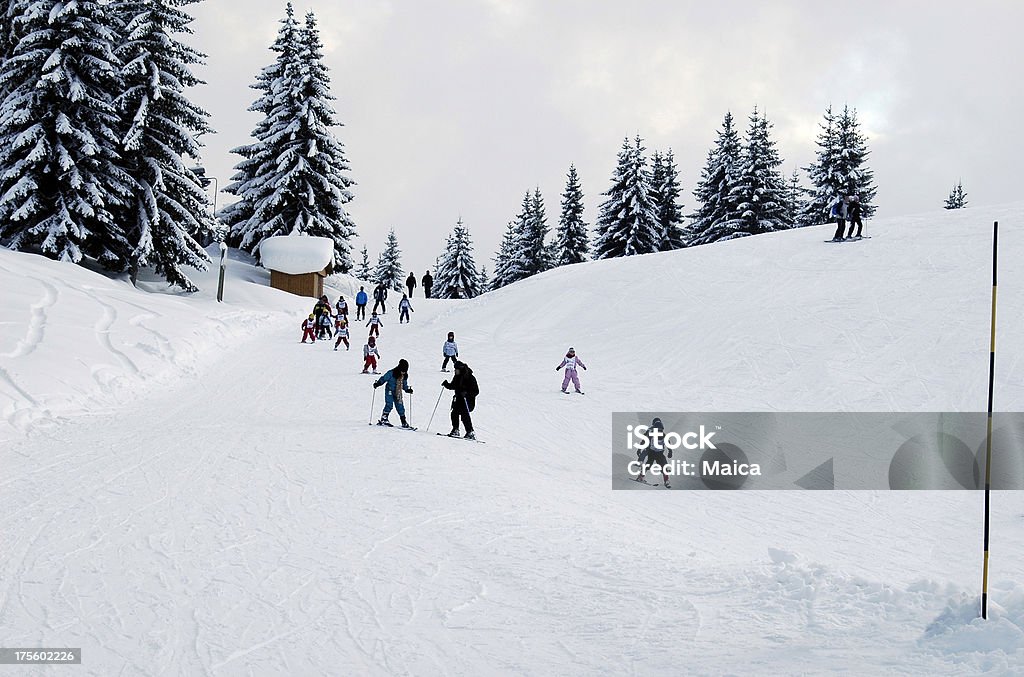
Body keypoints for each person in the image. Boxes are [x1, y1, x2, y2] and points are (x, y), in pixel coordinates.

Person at [373, 359, 414, 428]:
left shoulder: (404, 376)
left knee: (400, 406)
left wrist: (407, 390)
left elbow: (404, 385)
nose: (403, 372)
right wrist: (378, 383)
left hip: (398, 392)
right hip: (389, 390)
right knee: (389, 404)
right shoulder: (391, 373)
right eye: (402, 370)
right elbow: (384, 378)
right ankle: (384, 418)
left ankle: (403, 421)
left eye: (405, 371)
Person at [443, 360, 478, 439]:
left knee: (464, 415)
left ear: (461, 369)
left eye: (456, 369)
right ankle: (456, 430)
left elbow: (476, 391)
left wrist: (466, 393)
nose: (455, 371)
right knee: (454, 413)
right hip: (459, 400)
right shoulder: (457, 377)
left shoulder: (470, 377)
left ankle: (470, 432)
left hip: (468, 401)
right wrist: (447, 385)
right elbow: (453, 386)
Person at [636, 417, 671, 488]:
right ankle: (641, 477)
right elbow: (644, 441)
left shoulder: (664, 436)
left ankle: (666, 480)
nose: (658, 432)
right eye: (657, 430)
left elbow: (668, 444)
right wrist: (639, 448)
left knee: (664, 465)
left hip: (659, 453)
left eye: (660, 430)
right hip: (652, 452)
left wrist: (670, 451)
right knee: (648, 464)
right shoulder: (650, 435)